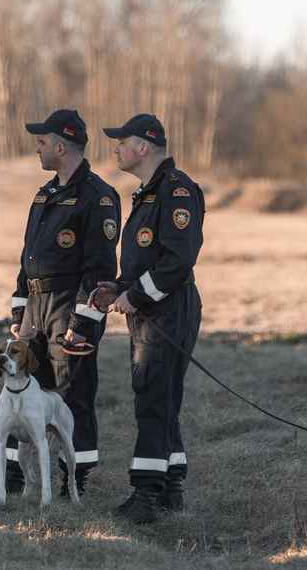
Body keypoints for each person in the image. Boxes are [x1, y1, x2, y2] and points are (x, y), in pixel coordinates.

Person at [95, 114, 204, 523]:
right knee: (162, 399)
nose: (116, 149)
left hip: (167, 310)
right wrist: (119, 287)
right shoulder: (148, 192)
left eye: (122, 142)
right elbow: (147, 257)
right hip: (152, 308)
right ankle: (171, 489)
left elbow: (178, 260)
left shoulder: (176, 191)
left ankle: (146, 497)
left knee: (154, 399)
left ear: (143, 147)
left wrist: (136, 296)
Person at [6, 109, 120, 498]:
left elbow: (100, 269)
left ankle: (75, 481)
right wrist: (20, 309)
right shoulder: (45, 194)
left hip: (70, 305)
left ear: (61, 146)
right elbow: (28, 257)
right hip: (36, 307)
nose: (36, 149)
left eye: (42, 142)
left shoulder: (98, 196)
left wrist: (82, 322)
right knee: (21, 387)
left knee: (72, 395)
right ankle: (17, 475)